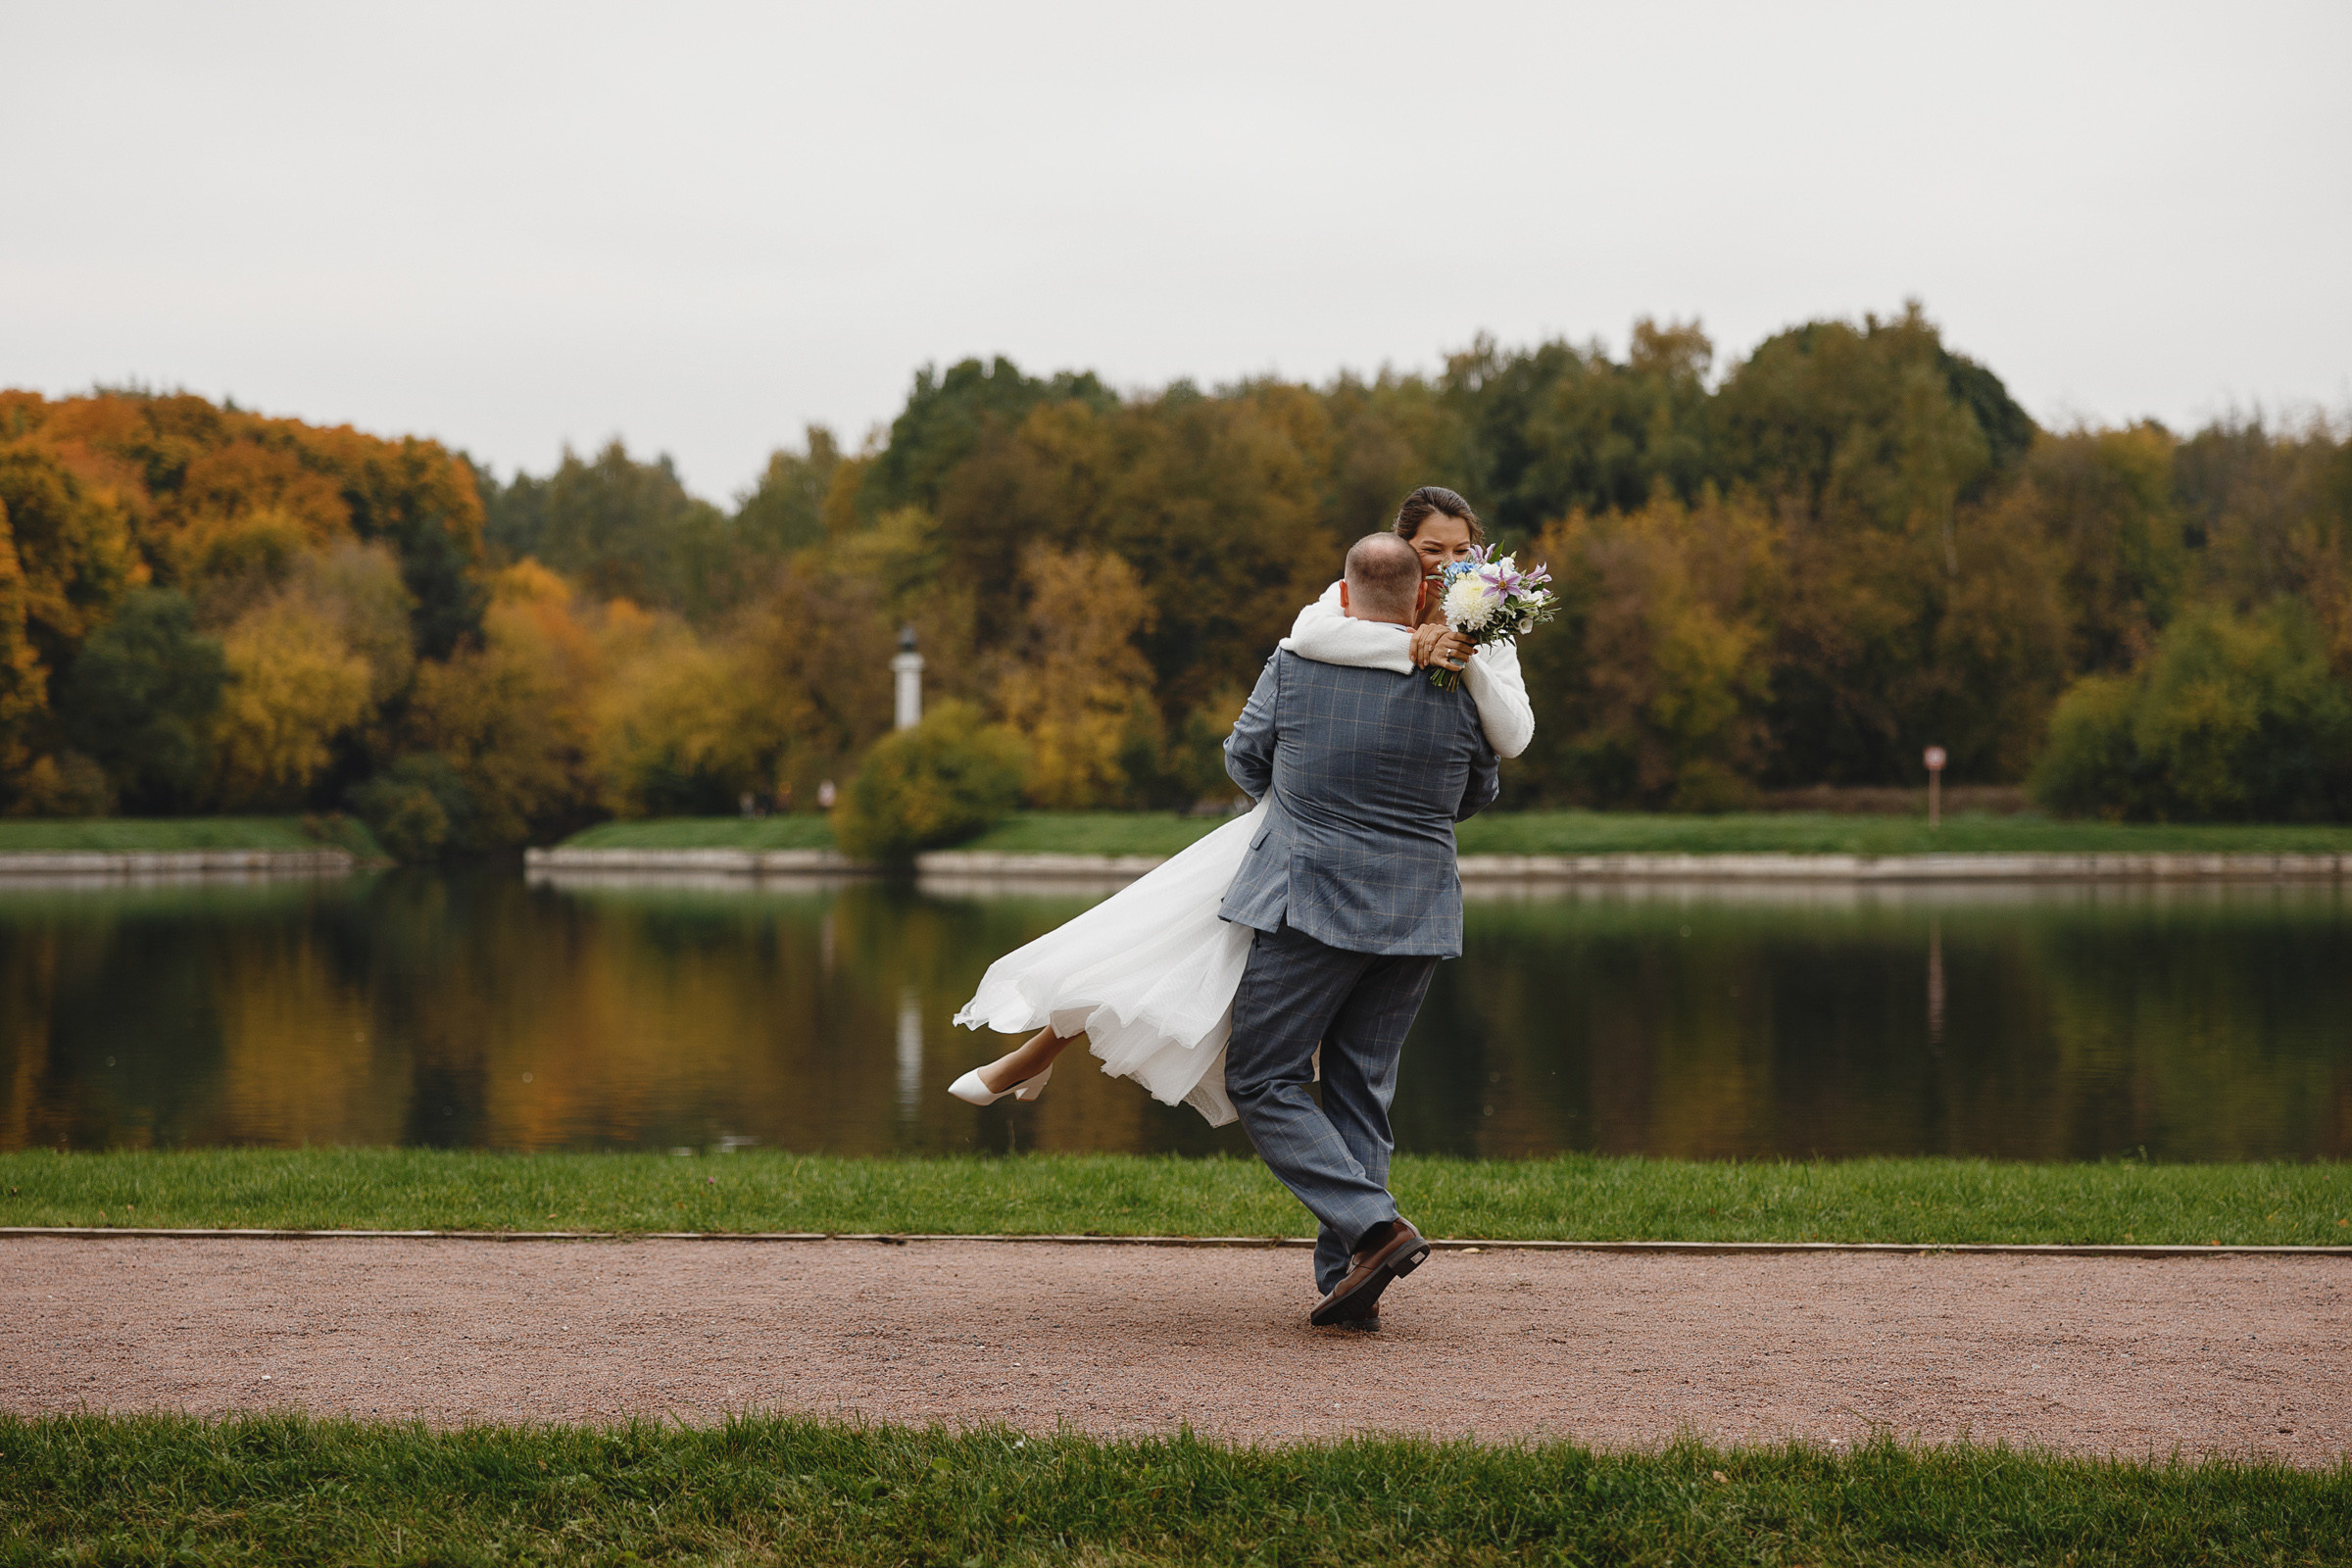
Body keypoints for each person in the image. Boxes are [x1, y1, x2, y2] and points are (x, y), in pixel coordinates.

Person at [950, 486, 1524, 1122]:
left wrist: (1464, 656)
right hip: (1297, 825)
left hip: (1379, 850)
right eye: (1430, 548)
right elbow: (1306, 639)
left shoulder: (1489, 632)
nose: (1446, 562)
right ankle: (1036, 1052)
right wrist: (1406, 653)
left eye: (1461, 549)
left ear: (1479, 555)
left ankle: (1038, 1054)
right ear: (1402, 551)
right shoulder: (1343, 605)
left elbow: (1513, 736)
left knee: (1191, 954)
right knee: (1166, 941)